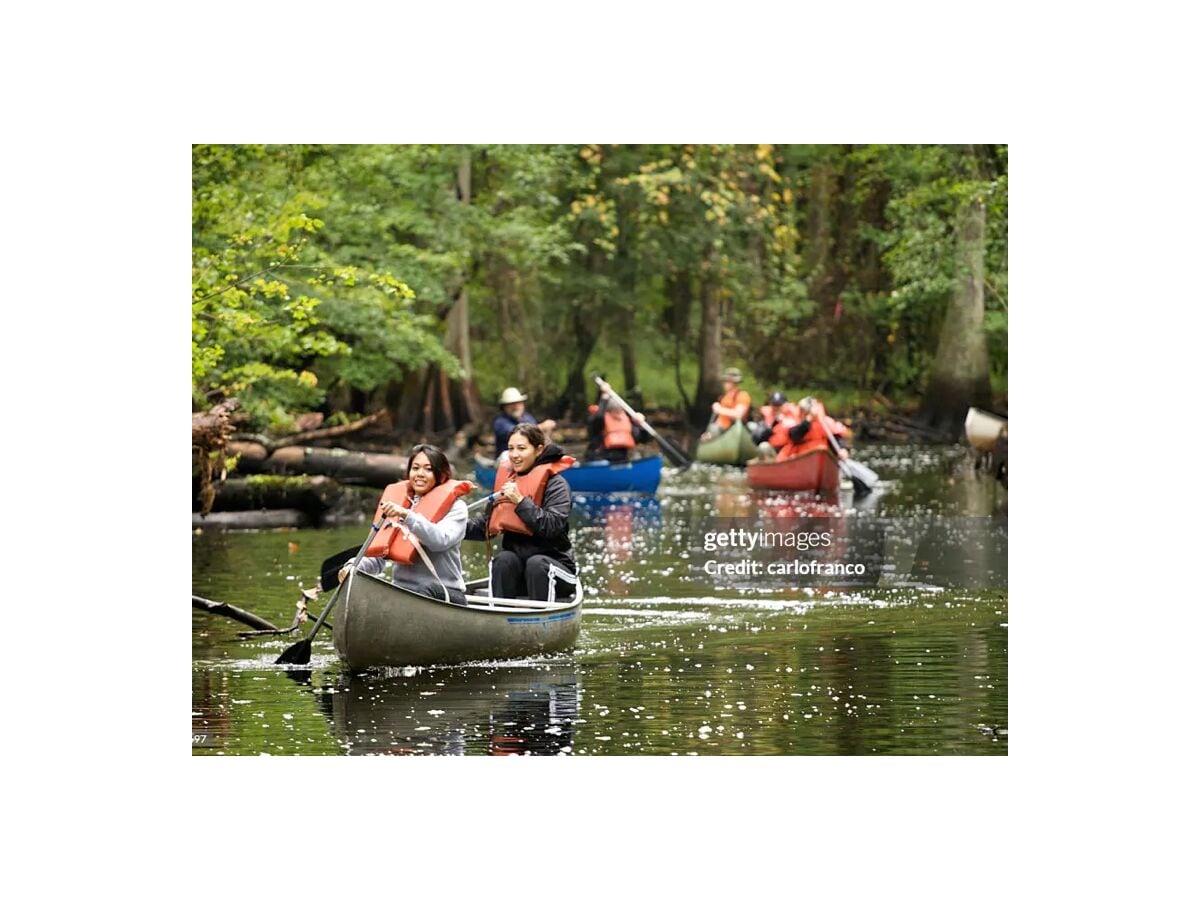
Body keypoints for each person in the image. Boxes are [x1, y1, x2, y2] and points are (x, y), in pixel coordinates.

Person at [339, 444, 472, 605]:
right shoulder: (398, 503)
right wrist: (353, 566)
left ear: (441, 475)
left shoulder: (457, 508)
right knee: (366, 585)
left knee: (425, 590)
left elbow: (440, 541)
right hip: (403, 592)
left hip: (445, 593)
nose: (420, 474)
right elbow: (377, 556)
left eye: (428, 469)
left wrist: (407, 515)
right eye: (415, 468)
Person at [465, 423, 577, 602]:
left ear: (538, 450)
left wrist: (521, 501)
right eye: (510, 449)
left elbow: (552, 526)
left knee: (537, 564)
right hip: (520, 573)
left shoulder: (557, 485)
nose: (514, 455)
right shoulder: (508, 481)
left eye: (521, 448)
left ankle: (540, 623)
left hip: (555, 571)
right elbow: (486, 526)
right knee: (503, 560)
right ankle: (500, 620)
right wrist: (452, 526)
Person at [586, 379, 650, 462]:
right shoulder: (598, 421)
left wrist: (641, 425)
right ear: (608, 411)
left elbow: (644, 439)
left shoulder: (626, 422)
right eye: (615, 411)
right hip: (599, 458)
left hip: (622, 459)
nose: (618, 414)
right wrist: (604, 397)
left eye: (620, 411)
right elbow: (599, 418)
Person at [492, 387, 556, 460]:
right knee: (505, 455)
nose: (515, 406)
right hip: (507, 460)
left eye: (518, 403)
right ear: (504, 407)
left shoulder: (528, 418)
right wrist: (541, 427)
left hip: (527, 457)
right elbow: (517, 434)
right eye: (511, 404)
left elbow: (536, 438)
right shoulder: (500, 422)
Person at [778, 397, 849, 461]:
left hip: (822, 456)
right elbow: (795, 436)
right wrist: (809, 419)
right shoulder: (794, 422)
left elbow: (836, 438)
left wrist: (842, 449)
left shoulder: (825, 423)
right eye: (803, 412)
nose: (805, 414)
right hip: (800, 457)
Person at [701, 367, 752, 441]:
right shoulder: (724, 397)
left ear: (732, 382)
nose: (724, 383)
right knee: (711, 430)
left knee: (714, 429)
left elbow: (738, 415)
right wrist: (708, 433)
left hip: (732, 431)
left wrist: (719, 409)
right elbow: (720, 419)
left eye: (726, 381)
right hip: (720, 430)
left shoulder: (743, 395)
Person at [753, 392, 800, 459]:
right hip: (773, 451)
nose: (776, 408)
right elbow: (757, 438)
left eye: (779, 405)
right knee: (763, 446)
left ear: (786, 405)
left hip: (791, 450)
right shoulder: (765, 416)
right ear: (770, 405)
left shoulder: (794, 414)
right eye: (774, 405)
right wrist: (772, 425)